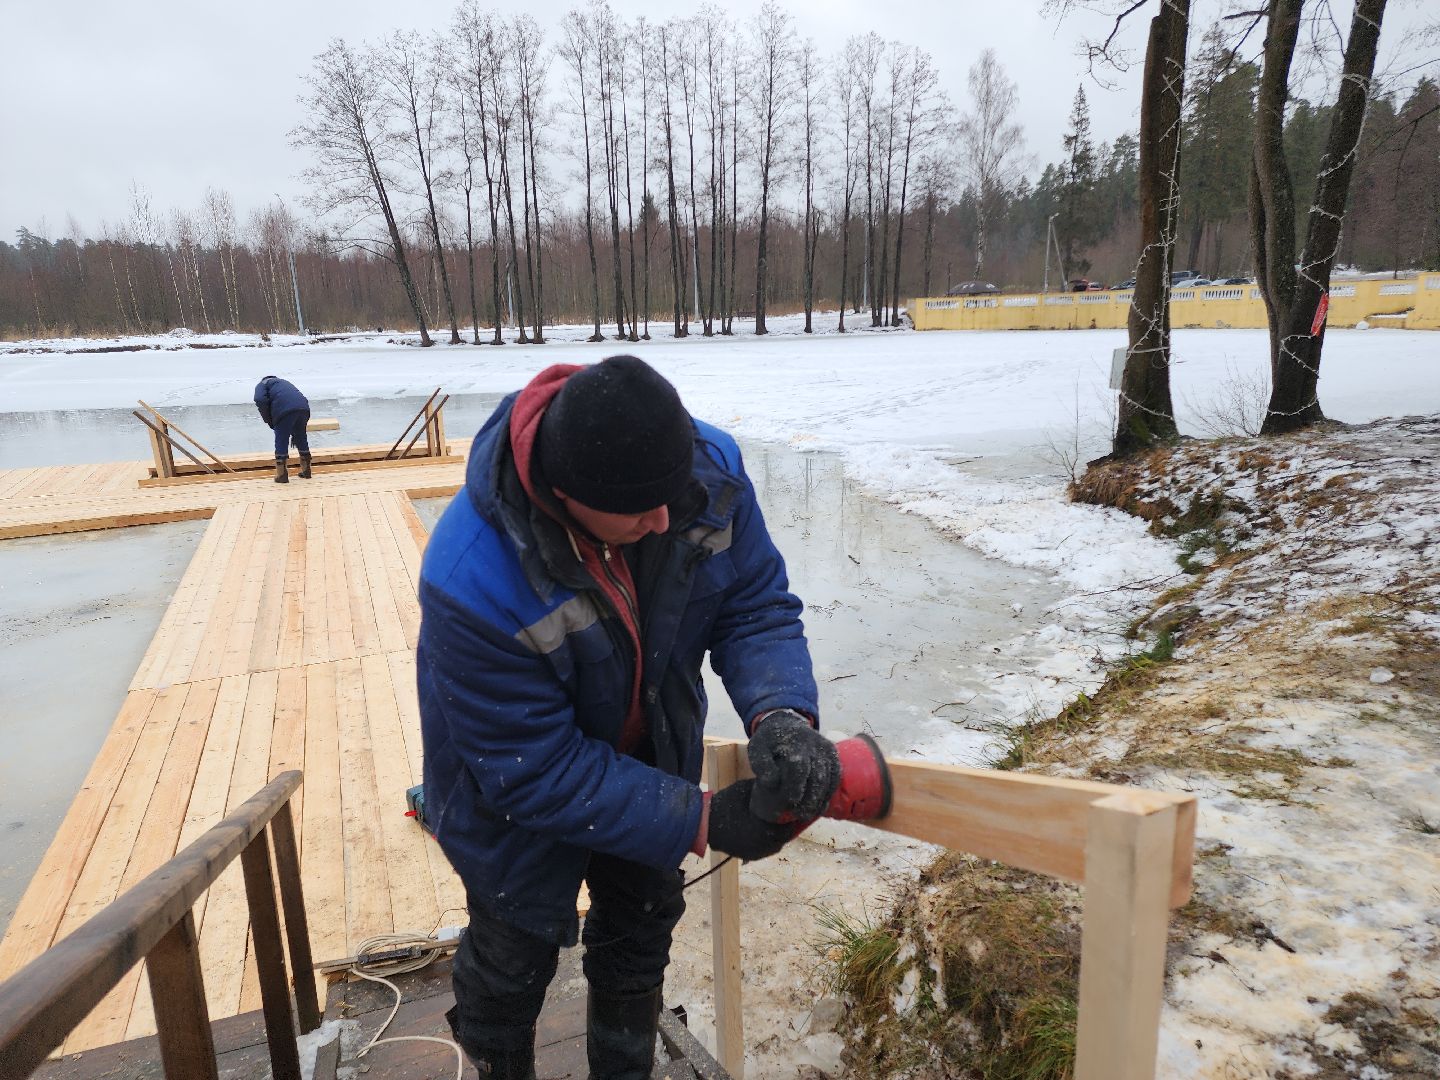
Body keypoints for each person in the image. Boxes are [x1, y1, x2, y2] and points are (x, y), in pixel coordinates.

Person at [417, 356, 841, 1080]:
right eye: (641, 509)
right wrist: (702, 818)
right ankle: (498, 1058)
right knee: (512, 954)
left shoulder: (704, 470)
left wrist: (780, 712)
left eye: (671, 496)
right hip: (509, 786)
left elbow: (753, 604)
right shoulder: (471, 578)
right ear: (566, 496)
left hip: (651, 750)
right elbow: (537, 768)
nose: (666, 519)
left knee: (641, 929)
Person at [253, 375, 312, 483]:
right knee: (301, 436)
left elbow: (259, 399)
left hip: (284, 411)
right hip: (304, 408)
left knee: (281, 440)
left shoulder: (262, 385)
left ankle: (282, 475)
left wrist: (269, 421)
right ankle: (307, 471)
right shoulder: (283, 382)